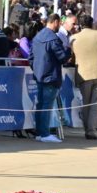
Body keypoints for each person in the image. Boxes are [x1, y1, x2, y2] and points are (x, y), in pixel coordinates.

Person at [71, 14, 97, 140]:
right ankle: (91, 130)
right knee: (96, 104)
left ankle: (87, 129)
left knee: (86, 103)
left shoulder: (74, 38)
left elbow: (72, 55)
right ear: (91, 23)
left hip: (83, 73)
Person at [29, 14, 69, 143]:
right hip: (51, 76)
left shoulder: (37, 37)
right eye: (59, 23)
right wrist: (69, 51)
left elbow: (31, 57)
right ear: (56, 22)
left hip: (39, 76)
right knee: (46, 106)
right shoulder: (53, 38)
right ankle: (45, 133)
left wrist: (36, 69)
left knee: (41, 105)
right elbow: (62, 58)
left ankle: (40, 133)